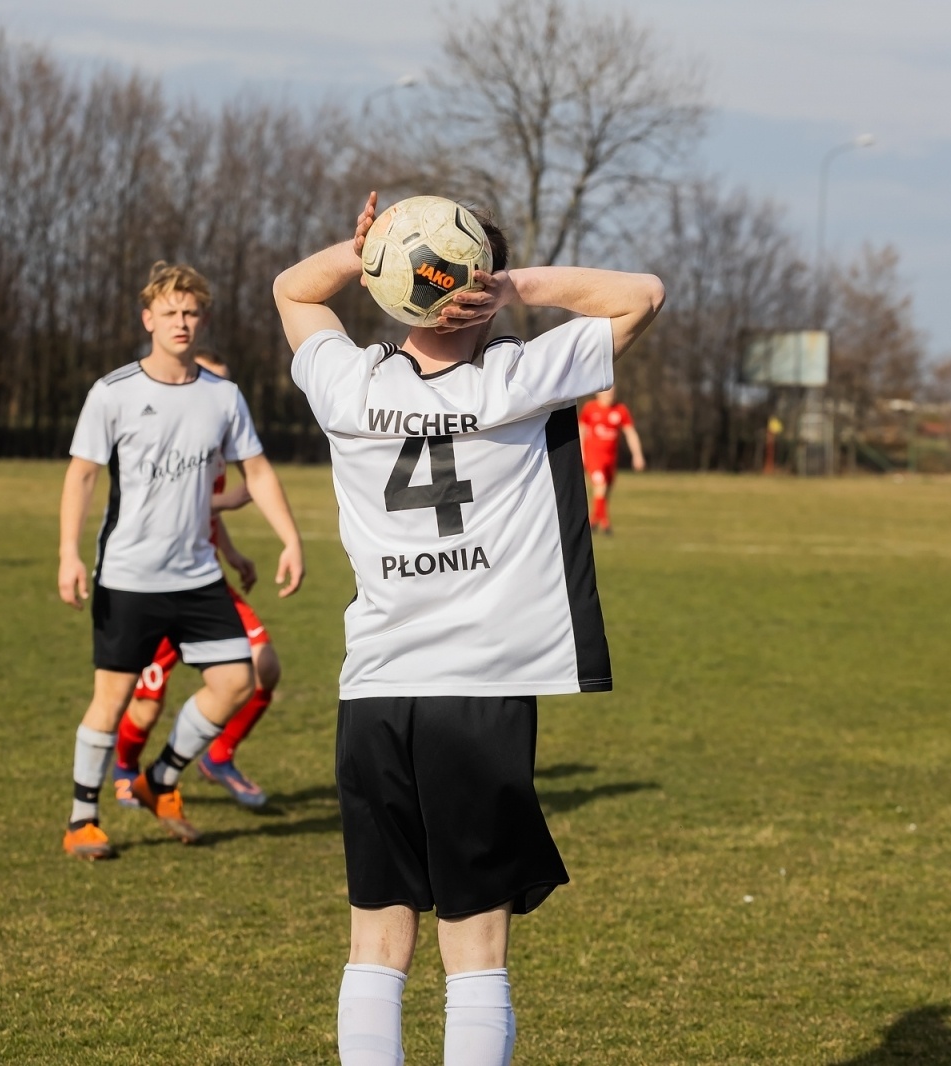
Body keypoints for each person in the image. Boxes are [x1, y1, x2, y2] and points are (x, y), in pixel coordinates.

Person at [274, 191, 664, 1066]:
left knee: (376, 938)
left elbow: (292, 292)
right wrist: (509, 284)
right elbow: (642, 292)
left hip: (374, 690)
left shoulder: (349, 384)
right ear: (478, 285)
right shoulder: (517, 379)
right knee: (475, 946)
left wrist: (365, 250)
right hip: (480, 694)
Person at [58, 262, 304, 861]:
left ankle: (160, 778)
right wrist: (67, 552)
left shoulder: (223, 396)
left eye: (191, 312)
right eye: (169, 312)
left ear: (203, 318)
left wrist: (290, 538)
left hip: (196, 574)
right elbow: (83, 474)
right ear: (148, 320)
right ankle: (81, 818)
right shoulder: (114, 392)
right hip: (128, 576)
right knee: (112, 700)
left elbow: (259, 471)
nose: (181, 322)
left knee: (235, 680)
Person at [113, 352, 284, 811]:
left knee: (264, 667)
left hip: (207, 582)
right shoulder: (169, 439)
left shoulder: (217, 443)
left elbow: (205, 512)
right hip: (157, 585)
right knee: (145, 705)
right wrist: (230, 501)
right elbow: (179, 508)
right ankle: (125, 769)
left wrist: (231, 553)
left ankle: (218, 757)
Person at [578, 385, 644, 534]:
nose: (610, 394)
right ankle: (606, 524)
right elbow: (581, 429)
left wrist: (637, 455)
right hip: (593, 456)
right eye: (607, 391)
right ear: (597, 393)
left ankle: (594, 520)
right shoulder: (590, 409)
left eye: (613, 392)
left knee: (605, 491)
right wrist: (581, 452)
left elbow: (630, 433)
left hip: (611, 458)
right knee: (600, 485)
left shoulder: (620, 410)